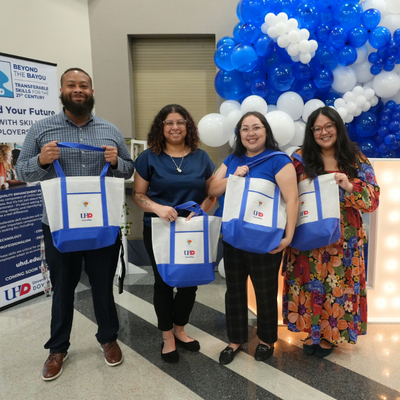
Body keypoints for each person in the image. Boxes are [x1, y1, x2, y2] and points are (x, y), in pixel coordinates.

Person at [15, 68, 134, 380]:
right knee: (63, 287)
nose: (78, 90)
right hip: (58, 225)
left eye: (84, 86)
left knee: (102, 286)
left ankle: (108, 339)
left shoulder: (110, 130)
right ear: (62, 90)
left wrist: (116, 162)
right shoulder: (41, 130)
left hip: (101, 224)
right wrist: (41, 160)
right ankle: (57, 348)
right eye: (72, 85)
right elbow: (22, 172)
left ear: (92, 92)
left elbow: (128, 170)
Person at [282, 106, 380, 358]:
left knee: (338, 287)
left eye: (329, 126)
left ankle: (330, 335)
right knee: (310, 286)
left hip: (343, 241)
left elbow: (373, 200)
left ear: (338, 127)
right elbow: (286, 195)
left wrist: (349, 185)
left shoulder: (354, 157)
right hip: (308, 236)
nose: (323, 132)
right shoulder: (300, 159)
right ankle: (312, 332)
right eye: (317, 128)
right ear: (311, 132)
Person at [208, 111, 299, 365]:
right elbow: (213, 189)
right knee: (234, 291)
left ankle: (267, 339)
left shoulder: (278, 161)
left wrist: (288, 236)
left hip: (265, 240)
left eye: (256, 127)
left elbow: (292, 198)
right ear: (239, 134)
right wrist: (232, 178)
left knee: (266, 292)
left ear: (266, 131)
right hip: (234, 238)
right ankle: (235, 340)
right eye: (245, 129)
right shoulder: (233, 159)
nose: (251, 133)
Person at [133, 104, 216, 363]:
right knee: (164, 282)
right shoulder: (148, 158)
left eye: (180, 122)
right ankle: (167, 335)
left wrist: (200, 211)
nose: (175, 127)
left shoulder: (202, 157)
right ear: (161, 127)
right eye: (168, 122)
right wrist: (157, 208)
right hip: (159, 229)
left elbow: (212, 193)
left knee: (189, 283)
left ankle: (180, 328)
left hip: (191, 229)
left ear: (188, 126)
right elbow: (138, 194)